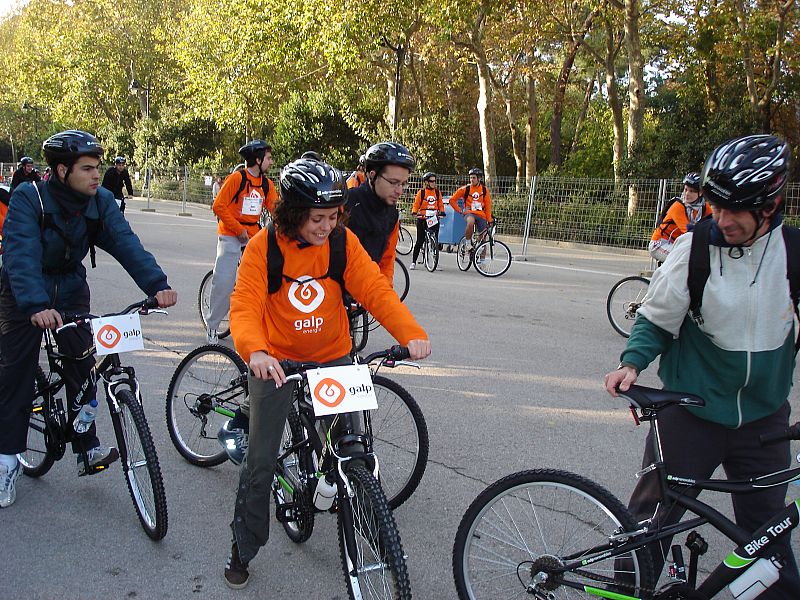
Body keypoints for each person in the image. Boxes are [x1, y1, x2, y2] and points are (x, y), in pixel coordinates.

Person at [603, 134, 800, 598]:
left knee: (769, 540)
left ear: (769, 206)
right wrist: (632, 362)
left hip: (763, 419)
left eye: (736, 211)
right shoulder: (694, 249)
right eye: (716, 206)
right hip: (689, 410)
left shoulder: (794, 255)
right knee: (650, 526)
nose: (722, 220)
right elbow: (656, 316)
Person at [221, 157, 430, 588]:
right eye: (317, 218)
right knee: (259, 463)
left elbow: (374, 288)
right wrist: (256, 352)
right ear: (294, 214)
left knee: (353, 452)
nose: (326, 226)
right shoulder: (265, 247)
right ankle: (243, 546)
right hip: (276, 362)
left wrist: (411, 333)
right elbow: (243, 306)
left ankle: (370, 527)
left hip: (334, 356)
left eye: (334, 216)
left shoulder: (341, 240)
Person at [0, 130, 177, 509]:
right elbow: (20, 256)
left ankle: (87, 445)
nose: (97, 175)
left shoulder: (100, 203)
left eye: (98, 167)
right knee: (15, 374)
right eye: (88, 169)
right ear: (62, 171)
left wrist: (158, 285)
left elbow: (126, 243)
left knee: (83, 362)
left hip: (69, 289)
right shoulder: (29, 199)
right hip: (23, 293)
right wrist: (33, 306)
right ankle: (7, 461)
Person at [206, 139, 278, 344]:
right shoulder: (237, 179)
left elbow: (277, 211)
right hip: (230, 234)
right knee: (225, 281)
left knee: (263, 278)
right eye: (269, 158)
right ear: (258, 159)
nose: (271, 162)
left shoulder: (266, 184)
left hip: (253, 235)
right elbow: (218, 206)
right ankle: (212, 325)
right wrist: (238, 230)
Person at [345, 142, 415, 284]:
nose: (400, 191)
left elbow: (386, 262)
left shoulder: (392, 216)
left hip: (367, 294)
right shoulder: (345, 204)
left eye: (403, 184)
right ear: (372, 175)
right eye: (393, 182)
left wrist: (384, 294)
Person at [648, 172, 711, 263]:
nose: (687, 194)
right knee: (684, 261)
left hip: (677, 244)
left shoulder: (704, 207)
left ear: (700, 193)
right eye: (686, 189)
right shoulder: (678, 206)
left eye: (692, 191)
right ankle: (662, 277)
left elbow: (715, 222)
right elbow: (688, 231)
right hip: (660, 243)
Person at [449, 167, 492, 256]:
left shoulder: (484, 190)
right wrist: (461, 210)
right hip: (469, 213)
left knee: (483, 238)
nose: (472, 180)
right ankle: (468, 243)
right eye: (471, 178)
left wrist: (489, 219)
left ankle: (482, 261)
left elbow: (487, 206)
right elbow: (452, 200)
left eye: (474, 178)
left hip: (481, 214)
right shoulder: (465, 189)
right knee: (470, 221)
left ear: (479, 179)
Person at [409, 171, 445, 270]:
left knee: (435, 240)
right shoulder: (422, 193)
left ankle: (434, 261)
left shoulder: (437, 193)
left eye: (434, 181)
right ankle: (413, 262)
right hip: (422, 218)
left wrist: (442, 212)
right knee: (420, 240)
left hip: (434, 218)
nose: (433, 183)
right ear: (426, 182)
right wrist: (414, 212)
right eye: (431, 181)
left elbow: (441, 204)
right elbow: (416, 205)